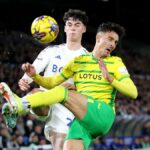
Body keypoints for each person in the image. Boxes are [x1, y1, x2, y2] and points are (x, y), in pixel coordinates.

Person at [0, 22, 138, 150]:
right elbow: (53, 82)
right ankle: (18, 107)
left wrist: (111, 79)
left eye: (115, 42)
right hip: (83, 121)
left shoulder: (115, 62)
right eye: (110, 39)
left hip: (102, 113)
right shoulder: (78, 61)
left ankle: (18, 105)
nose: (113, 44)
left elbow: (133, 93)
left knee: (62, 92)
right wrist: (36, 76)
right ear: (98, 37)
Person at [6, 9, 89, 150]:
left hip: (68, 108)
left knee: (61, 146)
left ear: (84, 29)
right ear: (64, 28)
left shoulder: (88, 58)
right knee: (36, 93)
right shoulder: (51, 51)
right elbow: (33, 70)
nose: (73, 27)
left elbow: (90, 88)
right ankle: (16, 107)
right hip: (46, 104)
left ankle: (19, 106)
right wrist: (24, 80)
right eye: (69, 24)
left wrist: (75, 88)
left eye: (77, 24)